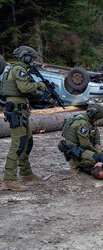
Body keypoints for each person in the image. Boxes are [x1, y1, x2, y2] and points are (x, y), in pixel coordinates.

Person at [1, 46, 46, 192]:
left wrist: (41, 95)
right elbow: (25, 88)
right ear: (25, 57)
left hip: (22, 110)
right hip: (16, 111)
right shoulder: (18, 70)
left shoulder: (21, 70)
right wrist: (38, 85)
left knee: (27, 141)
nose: (32, 62)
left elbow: (26, 92)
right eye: (31, 58)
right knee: (18, 144)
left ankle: (25, 172)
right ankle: (9, 179)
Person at [58, 103, 103, 174]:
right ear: (92, 115)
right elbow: (85, 144)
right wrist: (95, 151)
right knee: (96, 159)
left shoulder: (88, 120)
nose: (96, 120)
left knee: (99, 155)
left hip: (81, 145)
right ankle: (75, 163)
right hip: (75, 149)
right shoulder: (83, 123)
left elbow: (96, 133)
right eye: (97, 118)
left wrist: (97, 145)